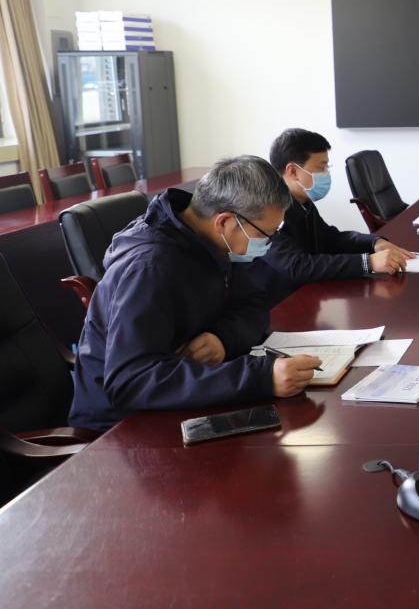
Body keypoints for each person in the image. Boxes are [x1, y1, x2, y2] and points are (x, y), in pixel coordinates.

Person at [70, 156, 322, 432]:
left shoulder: (219, 243)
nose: (269, 243)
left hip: (185, 397)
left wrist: (222, 338)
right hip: (123, 426)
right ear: (225, 222)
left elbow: (254, 304)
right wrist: (260, 378)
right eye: (266, 234)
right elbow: (130, 381)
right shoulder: (149, 268)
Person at [262, 128, 415, 291]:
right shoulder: (265, 212)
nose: (326, 173)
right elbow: (298, 266)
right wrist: (368, 262)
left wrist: (374, 242)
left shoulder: (302, 202)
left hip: (309, 291)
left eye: (327, 167)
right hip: (282, 300)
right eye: (321, 167)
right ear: (293, 171)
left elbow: (330, 238)